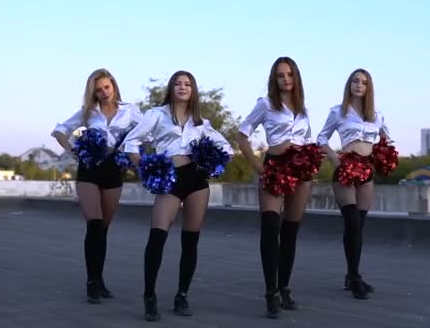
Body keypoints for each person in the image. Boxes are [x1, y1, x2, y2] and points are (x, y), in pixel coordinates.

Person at [122, 70, 234, 322]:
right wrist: (145, 167)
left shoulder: (201, 123)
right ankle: (149, 296)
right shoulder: (156, 115)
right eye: (178, 83)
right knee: (157, 237)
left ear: (193, 90)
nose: (183, 87)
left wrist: (209, 162)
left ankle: (181, 295)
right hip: (169, 179)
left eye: (188, 84)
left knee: (190, 241)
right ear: (171, 88)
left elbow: (227, 149)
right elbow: (131, 142)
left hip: (196, 180)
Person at [51, 68, 144, 304]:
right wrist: (75, 152)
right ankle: (91, 283)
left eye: (107, 87)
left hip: (114, 170)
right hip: (89, 170)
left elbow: (147, 134)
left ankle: (99, 279)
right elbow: (59, 131)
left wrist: (132, 152)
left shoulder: (131, 111)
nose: (103, 92)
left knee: (103, 228)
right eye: (98, 89)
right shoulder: (88, 113)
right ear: (92, 92)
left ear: (114, 86)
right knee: (93, 224)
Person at [237, 57, 318, 319]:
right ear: (274, 78)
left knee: (290, 231)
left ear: (296, 78)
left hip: (300, 169)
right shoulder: (266, 104)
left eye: (290, 74)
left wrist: (309, 159)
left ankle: (284, 288)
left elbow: (307, 140)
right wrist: (258, 165)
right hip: (274, 166)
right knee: (271, 229)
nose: (285, 79)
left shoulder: (303, 109)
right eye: (281, 75)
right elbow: (242, 134)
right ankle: (270, 293)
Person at [316, 68, 391, 300]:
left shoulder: (376, 115)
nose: (359, 85)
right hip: (345, 169)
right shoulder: (338, 112)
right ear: (349, 85)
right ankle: (355, 277)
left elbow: (387, 139)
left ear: (369, 88)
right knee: (352, 222)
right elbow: (321, 138)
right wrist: (335, 159)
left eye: (364, 82)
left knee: (360, 224)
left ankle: (351, 275)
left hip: (366, 171)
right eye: (355, 81)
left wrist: (382, 158)